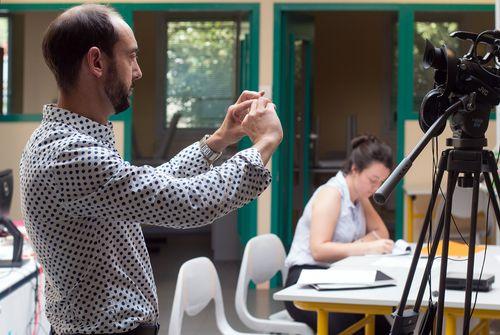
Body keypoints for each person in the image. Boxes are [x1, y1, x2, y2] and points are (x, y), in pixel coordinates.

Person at [19, 4, 282, 334]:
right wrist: (265, 143)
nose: (138, 71)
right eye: (131, 56)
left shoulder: (70, 139)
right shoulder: (67, 154)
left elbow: (155, 184)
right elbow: (188, 202)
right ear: (97, 62)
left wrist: (220, 139)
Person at [284, 135, 394, 334]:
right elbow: (319, 250)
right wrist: (365, 247)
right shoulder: (332, 194)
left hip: (335, 276)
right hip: (304, 282)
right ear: (354, 170)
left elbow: (382, 234)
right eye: (373, 180)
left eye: (382, 182)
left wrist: (359, 246)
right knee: (356, 329)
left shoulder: (360, 195)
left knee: (384, 328)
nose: (376, 188)